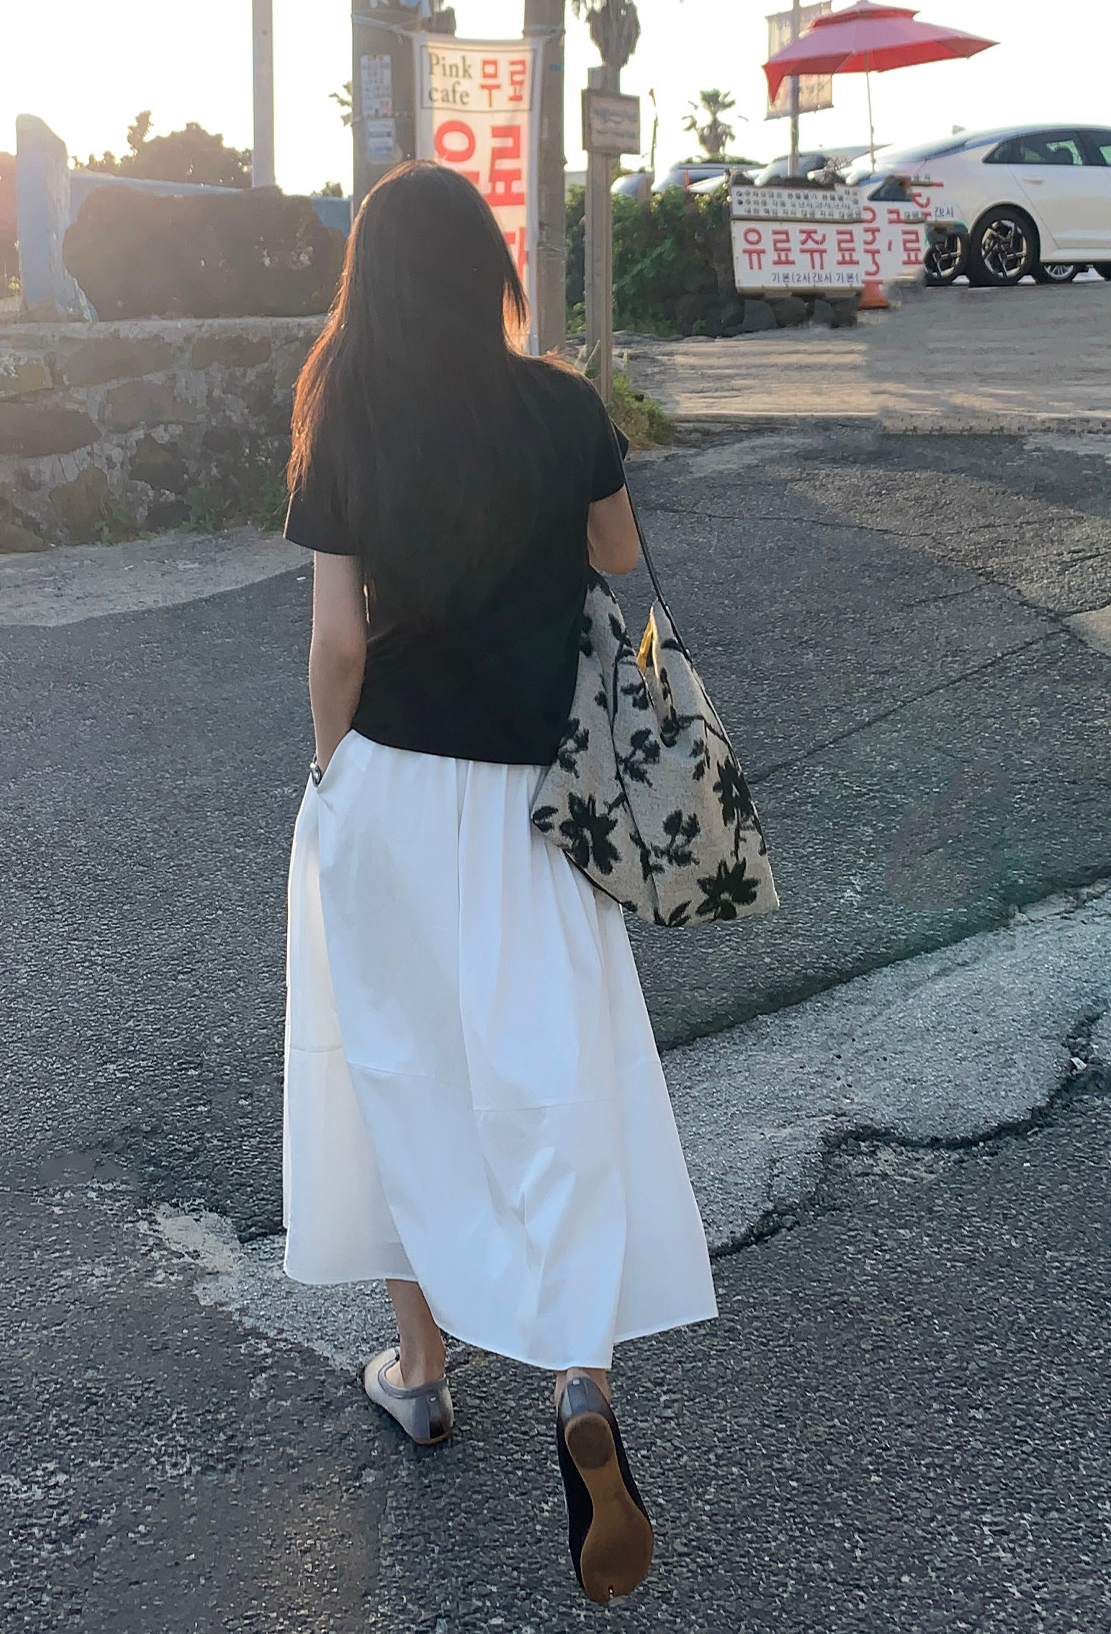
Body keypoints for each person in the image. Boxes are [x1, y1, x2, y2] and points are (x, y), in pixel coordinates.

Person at [282, 161, 716, 1606]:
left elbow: (338, 644)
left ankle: (419, 1367)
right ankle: (579, 1380)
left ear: (373, 282)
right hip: (549, 796)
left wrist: (333, 778)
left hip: (395, 783)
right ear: (493, 274)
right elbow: (619, 555)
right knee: (550, 1072)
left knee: (394, 1069)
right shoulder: (558, 405)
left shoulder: (346, 409)